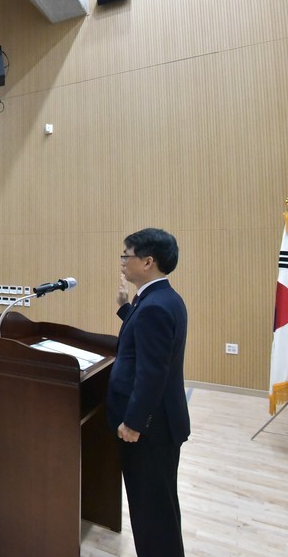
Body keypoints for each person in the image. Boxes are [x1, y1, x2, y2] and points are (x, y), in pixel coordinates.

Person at [110, 228, 189, 557]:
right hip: (160, 425)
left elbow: (152, 372)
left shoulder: (155, 306)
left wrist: (134, 422)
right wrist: (126, 308)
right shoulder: (160, 299)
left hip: (150, 430)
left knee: (152, 512)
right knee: (159, 506)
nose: (123, 263)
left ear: (148, 261)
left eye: (126, 255)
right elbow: (148, 343)